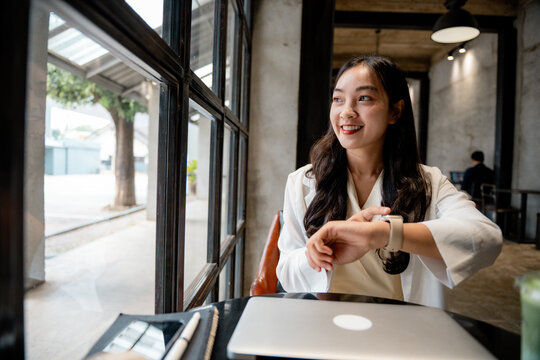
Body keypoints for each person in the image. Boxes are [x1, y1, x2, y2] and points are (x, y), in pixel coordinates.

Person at [276, 55, 502, 308]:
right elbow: (286, 272)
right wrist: (314, 256)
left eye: (364, 98)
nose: (346, 112)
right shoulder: (303, 182)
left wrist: (384, 234)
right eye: (338, 99)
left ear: (395, 111)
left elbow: (485, 238)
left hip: (402, 329)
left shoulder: (428, 182)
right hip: (324, 324)